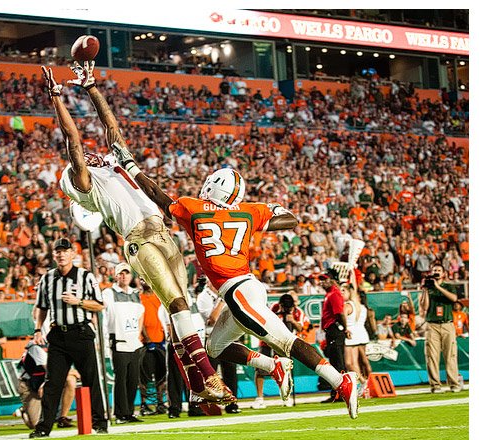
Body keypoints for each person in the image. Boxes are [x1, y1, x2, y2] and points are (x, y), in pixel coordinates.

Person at [114, 151, 359, 418]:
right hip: (242, 289)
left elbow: (157, 194)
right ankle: (273, 366)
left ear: (213, 186)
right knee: (214, 348)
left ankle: (340, 381)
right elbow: (290, 218)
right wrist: (259, 222)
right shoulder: (248, 212)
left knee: (286, 341)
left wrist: (130, 166)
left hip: (239, 291)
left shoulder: (194, 208)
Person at [41, 62, 232, 404]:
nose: (88, 157)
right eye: (79, 164)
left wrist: (91, 87)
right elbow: (73, 140)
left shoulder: (114, 166)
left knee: (181, 309)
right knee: (175, 301)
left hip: (162, 233)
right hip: (139, 241)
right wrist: (56, 97)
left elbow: (110, 125)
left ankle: (195, 381)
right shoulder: (88, 184)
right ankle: (209, 376)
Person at [29, 238, 108, 438]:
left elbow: (99, 305)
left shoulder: (86, 276)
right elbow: (41, 307)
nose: (61, 255)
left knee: (91, 380)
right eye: (58, 252)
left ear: (73, 254)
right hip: (57, 334)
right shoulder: (47, 278)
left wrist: (79, 301)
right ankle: (43, 427)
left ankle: (100, 422)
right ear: (54, 255)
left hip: (80, 333)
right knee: (53, 383)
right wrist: (38, 330)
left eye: (65, 251)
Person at [103, 263, 145, 424]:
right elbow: (103, 307)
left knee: (133, 379)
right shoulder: (109, 292)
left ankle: (128, 412)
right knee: (121, 378)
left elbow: (141, 313)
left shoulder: (135, 294)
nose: (124, 276)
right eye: (121, 274)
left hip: (133, 342)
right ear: (116, 276)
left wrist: (137, 333)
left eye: (127, 273)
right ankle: (120, 413)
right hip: (118, 341)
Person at [252, 293, 308, 409]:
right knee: (261, 368)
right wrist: (277, 316)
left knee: (285, 370)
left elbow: (301, 328)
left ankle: (286, 397)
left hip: (284, 343)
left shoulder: (298, 312)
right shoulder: (273, 307)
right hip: (267, 341)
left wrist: (292, 321)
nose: (285, 309)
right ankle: (260, 398)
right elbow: (264, 321)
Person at [195, 276, 240, 413]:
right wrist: (221, 300)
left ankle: (231, 404)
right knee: (210, 374)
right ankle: (210, 404)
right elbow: (213, 319)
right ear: (209, 282)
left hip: (226, 338)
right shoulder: (204, 297)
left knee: (230, 373)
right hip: (211, 340)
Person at [17, 339, 81, 430]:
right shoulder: (37, 348)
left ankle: (63, 418)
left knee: (70, 379)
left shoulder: (62, 346)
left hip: (45, 382)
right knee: (35, 424)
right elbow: (51, 371)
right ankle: (24, 410)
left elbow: (61, 371)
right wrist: (76, 372)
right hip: (30, 385)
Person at [419, 263, 460, 393]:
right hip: (432, 325)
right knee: (432, 356)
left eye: (438, 270)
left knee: (451, 355)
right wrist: (425, 289)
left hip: (447, 324)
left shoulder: (448, 286)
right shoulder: (428, 288)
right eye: (434, 270)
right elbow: (424, 308)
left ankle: (454, 384)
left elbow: (454, 299)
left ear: (443, 274)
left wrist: (438, 286)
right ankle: (435, 385)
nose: (436, 272)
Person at [317, 269, 351, 403]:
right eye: (321, 280)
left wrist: (345, 328)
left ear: (332, 280)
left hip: (335, 329)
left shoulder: (334, 294)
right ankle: (337, 393)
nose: (322, 282)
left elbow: (340, 313)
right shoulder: (330, 293)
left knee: (338, 362)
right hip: (332, 330)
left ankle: (341, 393)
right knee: (335, 362)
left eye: (325, 279)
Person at [138, 280, 168, 415]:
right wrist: (148, 339)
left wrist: (164, 337)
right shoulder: (139, 298)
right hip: (146, 343)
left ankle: (160, 403)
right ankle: (144, 404)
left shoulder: (158, 298)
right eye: (142, 279)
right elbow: (140, 320)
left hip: (160, 341)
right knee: (145, 375)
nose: (145, 282)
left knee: (161, 374)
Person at [341, 284, 372, 391]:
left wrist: (344, 329)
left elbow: (343, 318)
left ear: (350, 293)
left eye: (343, 291)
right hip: (359, 333)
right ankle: (364, 383)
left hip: (349, 334)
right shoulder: (359, 305)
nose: (341, 293)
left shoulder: (347, 305)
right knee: (358, 362)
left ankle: (364, 382)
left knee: (349, 363)